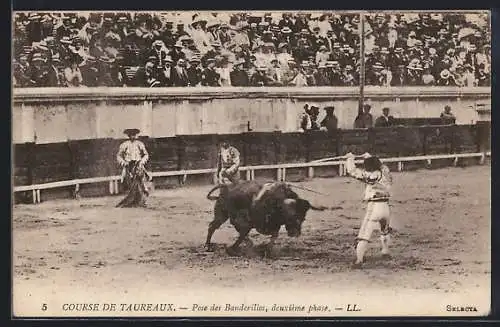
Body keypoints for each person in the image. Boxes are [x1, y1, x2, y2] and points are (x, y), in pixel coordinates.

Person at [344, 152, 393, 269]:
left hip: (374, 207)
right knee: (384, 230)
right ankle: (385, 251)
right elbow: (381, 165)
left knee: (364, 235)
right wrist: (369, 157)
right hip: (386, 207)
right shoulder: (385, 172)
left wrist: (350, 159)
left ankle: (359, 260)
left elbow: (352, 171)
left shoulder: (369, 175)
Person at [116, 128, 151, 207]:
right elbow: (119, 156)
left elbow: (146, 154)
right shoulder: (124, 144)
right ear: (128, 135)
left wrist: (142, 162)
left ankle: (142, 201)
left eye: (134, 134)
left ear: (136, 135)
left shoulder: (140, 144)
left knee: (141, 183)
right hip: (129, 166)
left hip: (138, 165)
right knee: (131, 184)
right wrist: (123, 162)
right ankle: (133, 201)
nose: (132, 136)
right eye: (131, 134)